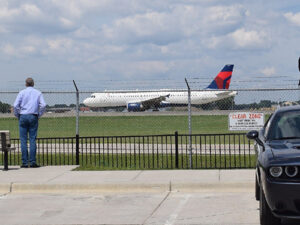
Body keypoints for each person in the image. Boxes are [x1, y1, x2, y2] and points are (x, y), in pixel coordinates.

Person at [13, 78, 46, 168]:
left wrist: (17, 115)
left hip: (23, 116)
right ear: (33, 84)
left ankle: (24, 162)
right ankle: (32, 162)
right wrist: (39, 115)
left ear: (26, 84)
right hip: (33, 116)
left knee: (23, 140)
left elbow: (15, 105)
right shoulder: (38, 93)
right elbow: (43, 105)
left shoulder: (21, 92)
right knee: (32, 140)